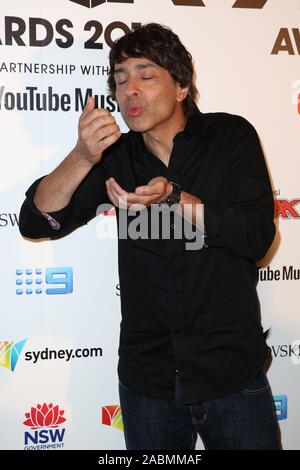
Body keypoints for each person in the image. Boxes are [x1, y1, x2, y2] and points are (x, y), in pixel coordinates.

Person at [19, 23, 280, 450]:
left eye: (145, 75)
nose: (130, 91)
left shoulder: (230, 136)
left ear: (180, 86)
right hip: (149, 383)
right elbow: (36, 220)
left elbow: (256, 238)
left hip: (232, 375)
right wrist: (83, 155)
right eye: (120, 80)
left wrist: (176, 196)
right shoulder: (113, 157)